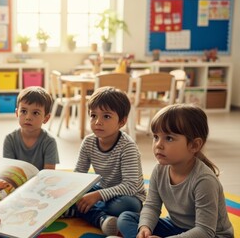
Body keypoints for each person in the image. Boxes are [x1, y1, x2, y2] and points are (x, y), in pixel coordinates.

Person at [117, 104, 234, 238]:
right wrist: (145, 227)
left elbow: (204, 231)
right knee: (126, 218)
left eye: (169, 138)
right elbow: (151, 206)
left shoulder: (204, 181)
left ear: (194, 145)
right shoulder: (159, 170)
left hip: (209, 235)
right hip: (175, 227)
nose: (158, 145)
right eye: (156, 137)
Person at [62, 86, 146, 236]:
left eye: (106, 116)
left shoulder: (128, 146)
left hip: (128, 196)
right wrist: (71, 192)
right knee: (71, 192)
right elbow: (79, 175)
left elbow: (131, 186)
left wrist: (97, 196)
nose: (97, 122)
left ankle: (79, 210)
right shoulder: (88, 142)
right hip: (102, 190)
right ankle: (101, 219)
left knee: (123, 206)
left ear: (122, 121)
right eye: (93, 115)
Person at [3, 86, 59, 170]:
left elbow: (49, 173)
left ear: (46, 118)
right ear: (17, 113)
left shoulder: (49, 142)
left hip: (41, 182)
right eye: (24, 111)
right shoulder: (10, 139)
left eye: (35, 113)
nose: (28, 117)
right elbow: (9, 171)